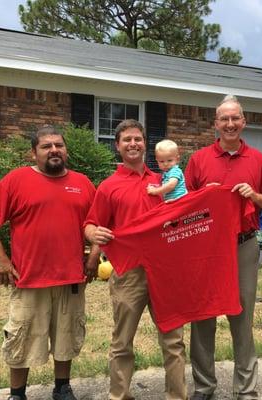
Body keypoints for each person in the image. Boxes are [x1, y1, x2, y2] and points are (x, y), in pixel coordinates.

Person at [0, 126, 98, 400]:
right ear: (33, 153)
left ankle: (62, 387)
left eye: (59, 145)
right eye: (46, 146)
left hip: (71, 277)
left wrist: (94, 254)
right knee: (22, 336)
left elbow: (98, 221)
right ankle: (17, 394)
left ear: (66, 151)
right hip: (29, 277)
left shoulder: (83, 183)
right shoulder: (16, 180)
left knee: (67, 335)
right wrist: (1, 259)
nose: (54, 150)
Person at [184, 95, 262, 400]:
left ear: (243, 122)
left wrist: (253, 195)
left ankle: (246, 389)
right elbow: (183, 205)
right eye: (224, 119)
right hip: (207, 248)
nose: (229, 124)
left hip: (243, 246)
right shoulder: (199, 160)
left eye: (235, 118)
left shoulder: (259, 160)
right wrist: (204, 196)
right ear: (215, 123)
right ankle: (204, 386)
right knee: (203, 317)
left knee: (242, 316)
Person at [84, 119, 187, 400]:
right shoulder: (108, 186)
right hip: (128, 272)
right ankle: (119, 396)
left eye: (138, 139)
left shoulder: (163, 181)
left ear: (145, 145)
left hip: (165, 271)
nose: (133, 144)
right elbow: (90, 225)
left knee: (173, 341)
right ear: (117, 146)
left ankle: (177, 396)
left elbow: (189, 206)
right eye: (127, 139)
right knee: (122, 342)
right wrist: (96, 233)